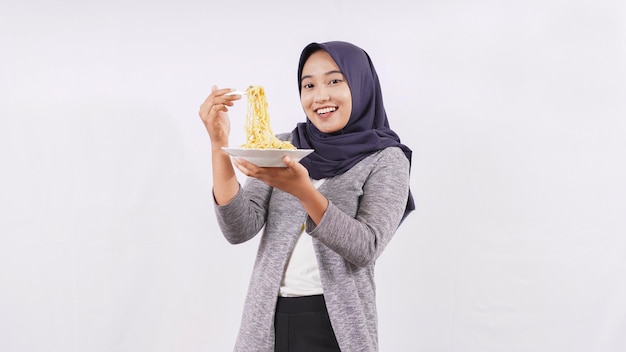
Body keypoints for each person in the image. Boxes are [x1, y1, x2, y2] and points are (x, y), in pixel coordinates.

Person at [198, 41, 415, 352]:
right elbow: (238, 228)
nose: (320, 95)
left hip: (336, 325)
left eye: (335, 80)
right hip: (268, 321)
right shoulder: (283, 146)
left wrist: (304, 192)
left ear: (361, 83)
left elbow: (366, 247)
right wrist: (219, 144)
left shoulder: (386, 159)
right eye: (308, 85)